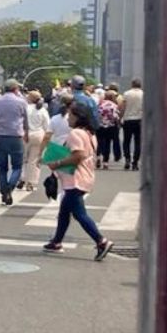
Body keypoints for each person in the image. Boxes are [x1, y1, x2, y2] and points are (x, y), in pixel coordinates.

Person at [42, 103, 115, 261]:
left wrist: (57, 163)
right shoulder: (89, 133)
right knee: (64, 212)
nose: (68, 118)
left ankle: (101, 241)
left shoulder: (75, 133)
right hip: (85, 176)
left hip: (76, 179)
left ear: (78, 117)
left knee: (80, 214)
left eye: (71, 115)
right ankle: (56, 241)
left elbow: (78, 155)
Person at [0, 79, 29, 206]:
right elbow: (26, 121)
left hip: (0, 135)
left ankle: (3, 191)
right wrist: (26, 133)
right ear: (15, 89)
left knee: (3, 167)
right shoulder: (21, 102)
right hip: (16, 136)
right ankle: (10, 188)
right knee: (17, 166)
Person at [22, 90, 51, 191]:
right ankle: (31, 182)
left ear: (30, 98)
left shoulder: (25, 108)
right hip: (38, 135)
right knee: (34, 160)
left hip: (25, 135)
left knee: (23, 158)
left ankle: (22, 178)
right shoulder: (42, 110)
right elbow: (47, 126)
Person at [96, 87, 123, 169]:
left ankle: (98, 157)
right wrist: (118, 123)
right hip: (110, 127)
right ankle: (105, 162)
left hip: (100, 126)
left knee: (99, 142)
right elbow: (116, 117)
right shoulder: (114, 106)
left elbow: (96, 115)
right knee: (107, 144)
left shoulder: (100, 104)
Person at [120, 78, 144, 171]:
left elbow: (123, 107)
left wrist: (120, 117)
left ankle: (127, 159)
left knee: (126, 140)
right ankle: (135, 162)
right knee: (138, 141)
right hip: (139, 120)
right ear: (140, 85)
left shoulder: (126, 93)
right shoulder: (143, 94)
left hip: (128, 119)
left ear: (132, 85)